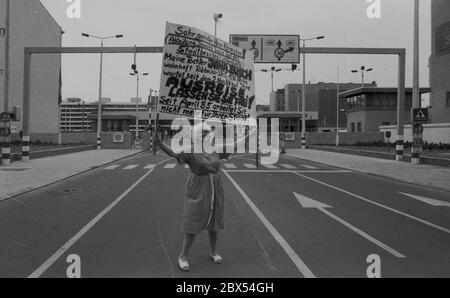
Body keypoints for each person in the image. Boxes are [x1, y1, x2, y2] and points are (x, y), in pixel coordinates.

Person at [154, 123, 242, 272]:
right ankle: (183, 256)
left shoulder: (216, 148)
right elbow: (174, 153)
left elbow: (235, 144)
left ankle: (213, 252)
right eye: (202, 132)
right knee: (193, 220)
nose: (205, 134)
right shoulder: (191, 150)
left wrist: (251, 135)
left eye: (207, 132)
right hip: (198, 186)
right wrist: (159, 143)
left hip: (215, 185)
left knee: (214, 220)